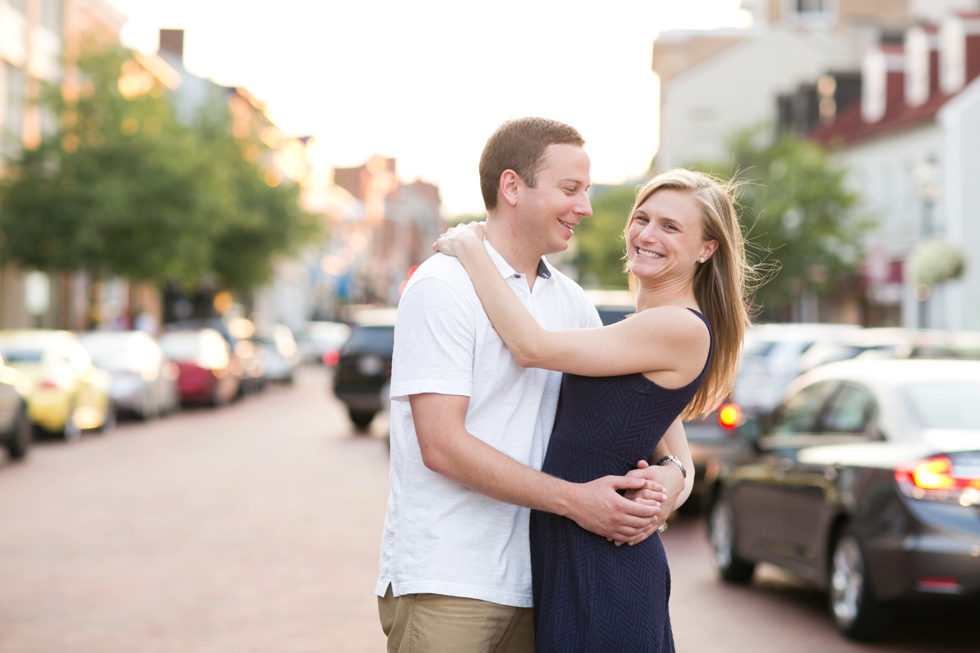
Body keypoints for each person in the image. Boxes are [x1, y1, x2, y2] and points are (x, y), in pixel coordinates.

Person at [376, 118, 690, 653]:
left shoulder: (572, 303)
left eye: (587, 191)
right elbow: (441, 445)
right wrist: (575, 502)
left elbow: (648, 414)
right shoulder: (442, 285)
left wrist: (671, 479)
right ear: (512, 187)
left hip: (543, 584)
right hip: (450, 579)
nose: (586, 208)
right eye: (570, 189)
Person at [434, 168, 750, 653]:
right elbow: (676, 454)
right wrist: (673, 478)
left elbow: (531, 347)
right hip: (572, 549)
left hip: (607, 566)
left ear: (706, 248)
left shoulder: (679, 328)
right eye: (641, 218)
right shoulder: (641, 329)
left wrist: (473, 249)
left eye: (670, 226)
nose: (646, 234)